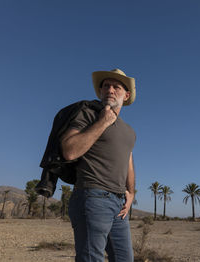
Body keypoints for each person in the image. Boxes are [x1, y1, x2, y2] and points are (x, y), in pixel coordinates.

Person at [61, 68, 137, 262]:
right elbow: (69, 151)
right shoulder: (87, 114)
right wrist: (103, 122)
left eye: (116, 87)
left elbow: (127, 160)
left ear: (126, 95)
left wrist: (131, 192)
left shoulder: (129, 131)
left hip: (119, 204)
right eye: (106, 86)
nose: (110, 90)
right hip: (92, 197)